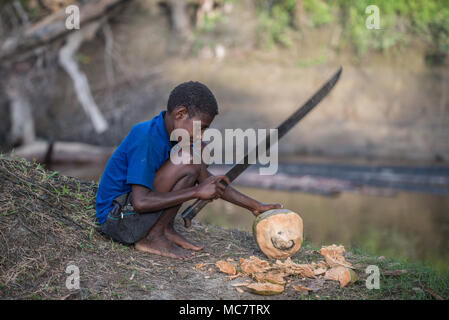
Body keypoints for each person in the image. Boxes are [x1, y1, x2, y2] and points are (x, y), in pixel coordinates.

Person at [96, 81, 282, 260]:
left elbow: (206, 181)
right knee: (190, 157)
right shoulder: (147, 138)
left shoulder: (170, 133)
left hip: (132, 213)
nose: (201, 134)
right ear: (181, 114)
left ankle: (164, 228)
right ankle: (153, 238)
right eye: (200, 128)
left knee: (198, 151)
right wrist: (195, 192)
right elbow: (140, 202)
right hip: (117, 220)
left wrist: (255, 206)